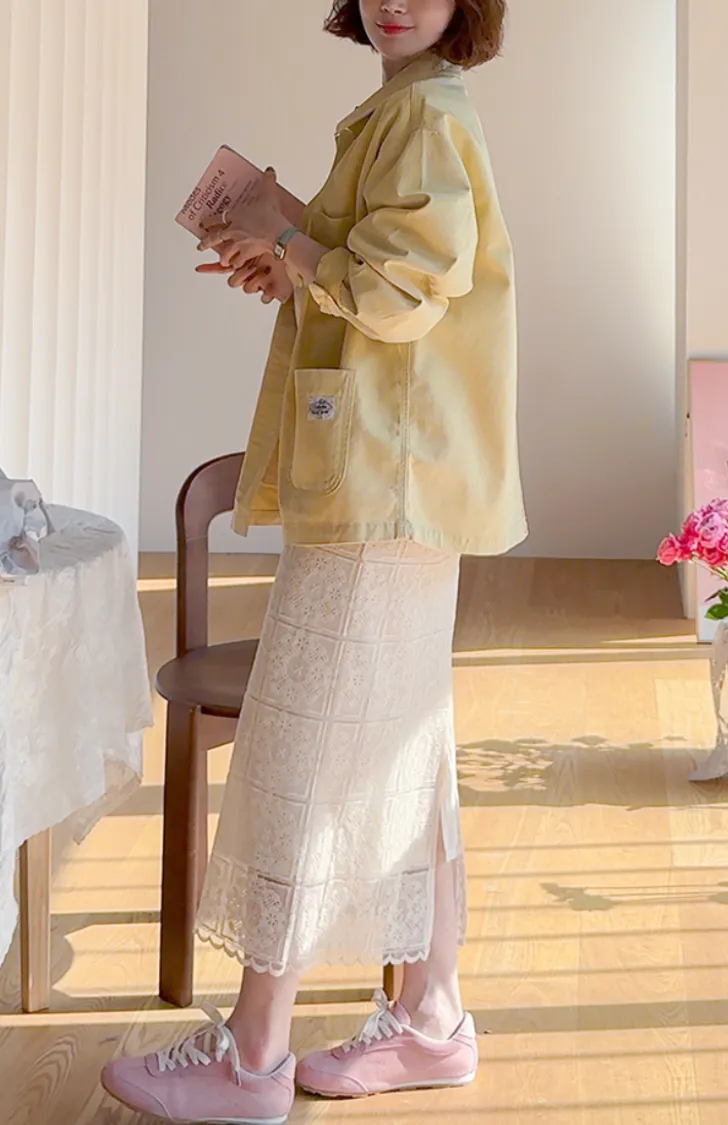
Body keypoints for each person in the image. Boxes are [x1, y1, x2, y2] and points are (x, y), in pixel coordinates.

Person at [101, 1, 526, 1121]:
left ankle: (253, 1061)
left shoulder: (424, 117)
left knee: (306, 742)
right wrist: (293, 251)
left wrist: (293, 247)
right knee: (403, 744)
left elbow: (399, 292)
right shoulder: (409, 109)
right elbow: (383, 277)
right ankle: (431, 1015)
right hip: (401, 480)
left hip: (384, 486)